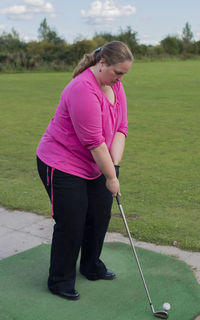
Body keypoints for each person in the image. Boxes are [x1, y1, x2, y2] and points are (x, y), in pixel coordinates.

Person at [36, 41, 133, 301]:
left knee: (99, 216)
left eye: (124, 74)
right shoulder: (82, 88)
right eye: (118, 73)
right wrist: (110, 176)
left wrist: (114, 169)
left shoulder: (115, 85)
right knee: (72, 223)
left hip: (96, 162)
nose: (120, 79)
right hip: (61, 163)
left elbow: (121, 128)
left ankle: (91, 266)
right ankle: (59, 280)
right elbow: (94, 142)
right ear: (102, 63)